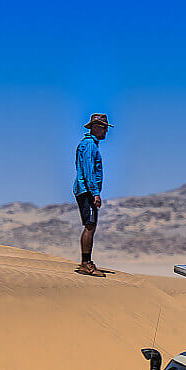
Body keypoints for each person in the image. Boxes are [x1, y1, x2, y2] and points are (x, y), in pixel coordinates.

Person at [73, 113, 113, 276]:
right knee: (90, 226)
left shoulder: (89, 144)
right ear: (95, 127)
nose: (105, 132)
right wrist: (95, 193)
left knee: (91, 225)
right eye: (103, 128)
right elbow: (88, 171)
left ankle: (86, 261)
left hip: (85, 189)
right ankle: (86, 263)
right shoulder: (89, 145)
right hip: (87, 190)